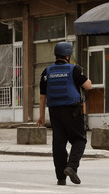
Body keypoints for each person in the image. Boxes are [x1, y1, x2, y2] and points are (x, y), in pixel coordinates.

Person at [37, 41, 92, 186]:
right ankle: (71, 167)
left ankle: (61, 177)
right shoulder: (74, 69)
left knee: (59, 144)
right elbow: (88, 85)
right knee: (79, 139)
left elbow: (42, 97)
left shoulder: (46, 72)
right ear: (68, 55)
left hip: (54, 111)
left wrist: (41, 116)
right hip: (72, 111)